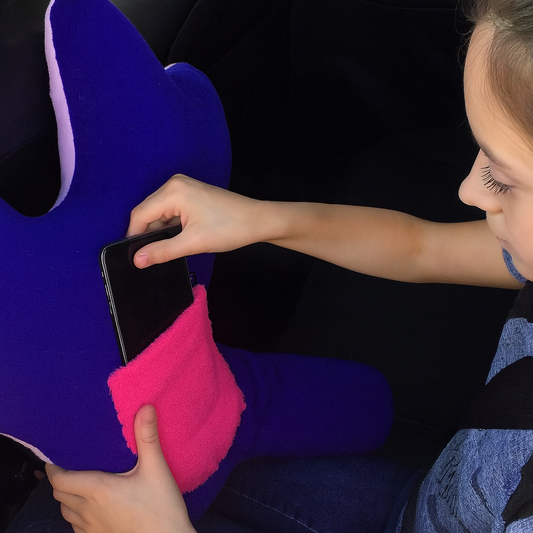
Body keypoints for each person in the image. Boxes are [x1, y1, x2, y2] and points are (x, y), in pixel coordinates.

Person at [8, 0, 533, 530]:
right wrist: (259, 219)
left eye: (502, 177)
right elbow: (423, 247)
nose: (468, 191)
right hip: (425, 500)